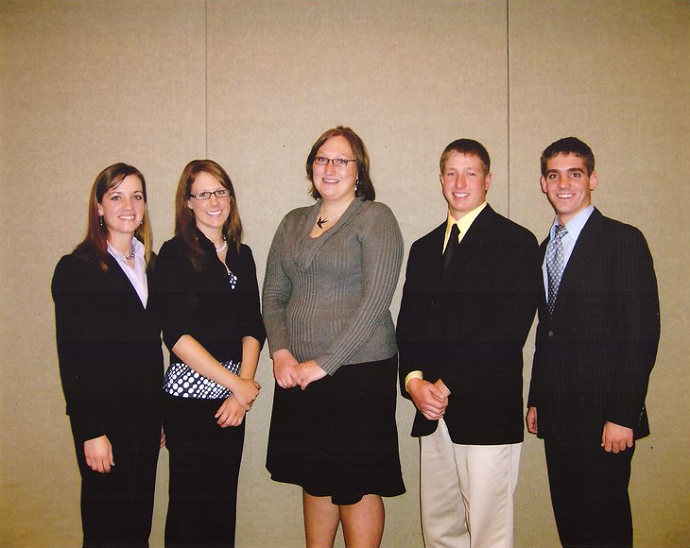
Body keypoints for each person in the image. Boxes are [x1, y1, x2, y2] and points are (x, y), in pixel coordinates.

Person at [263, 126, 406, 548]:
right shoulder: (293, 222)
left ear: (359, 170)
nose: (331, 168)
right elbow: (273, 295)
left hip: (358, 372)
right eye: (323, 158)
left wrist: (324, 363)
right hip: (298, 374)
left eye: (342, 160)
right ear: (311, 166)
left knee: (355, 483)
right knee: (315, 476)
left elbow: (375, 301)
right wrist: (282, 355)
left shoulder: (375, 218)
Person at [397, 139, 541, 548]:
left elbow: (507, 330)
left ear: (488, 180)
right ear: (441, 179)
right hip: (431, 411)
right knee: (439, 528)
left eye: (471, 173)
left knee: (488, 532)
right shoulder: (424, 248)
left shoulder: (515, 241)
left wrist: (446, 385)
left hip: (486, 410)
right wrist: (414, 382)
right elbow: (409, 325)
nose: (460, 183)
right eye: (451, 173)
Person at [526, 137, 660, 548]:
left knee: (606, 531)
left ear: (593, 179)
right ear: (543, 184)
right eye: (554, 175)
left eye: (575, 173)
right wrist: (537, 398)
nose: (564, 184)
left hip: (607, 420)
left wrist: (624, 414)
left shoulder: (623, 240)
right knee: (573, 529)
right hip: (560, 417)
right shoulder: (546, 247)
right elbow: (546, 332)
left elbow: (641, 335)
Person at [151, 159, 264, 548]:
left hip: (233, 398)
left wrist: (241, 390)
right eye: (203, 193)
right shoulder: (173, 254)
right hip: (190, 401)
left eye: (220, 191)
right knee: (188, 508)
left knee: (221, 507)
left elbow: (254, 325)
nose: (214, 201)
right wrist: (237, 385)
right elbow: (177, 336)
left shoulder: (241, 254)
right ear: (188, 203)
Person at [52, 163, 163, 548]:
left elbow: (151, 351)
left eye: (136, 195)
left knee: (137, 527)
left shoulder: (151, 263)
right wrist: (91, 431)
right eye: (116, 196)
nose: (128, 205)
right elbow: (73, 360)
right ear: (99, 207)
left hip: (145, 422)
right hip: (104, 424)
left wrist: (159, 416)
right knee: (105, 529)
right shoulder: (76, 269)